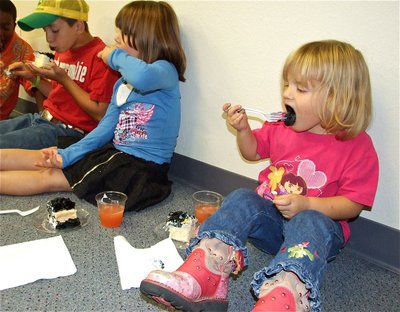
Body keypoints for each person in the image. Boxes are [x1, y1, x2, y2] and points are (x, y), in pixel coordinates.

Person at [139, 40, 379, 311]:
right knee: (242, 196)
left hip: (315, 238)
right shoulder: (280, 127)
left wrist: (309, 204)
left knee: (312, 219)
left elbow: (354, 204)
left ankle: (287, 291)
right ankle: (205, 274)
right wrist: (243, 130)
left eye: (300, 89)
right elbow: (252, 152)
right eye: (287, 84)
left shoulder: (357, 146)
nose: (287, 94)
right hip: (272, 226)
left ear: (337, 98)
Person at [0, 0, 186, 212]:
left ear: (146, 36)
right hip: (115, 152)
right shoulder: (122, 83)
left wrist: (113, 55)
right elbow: (105, 128)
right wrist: (67, 154)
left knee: (50, 176)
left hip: (140, 168)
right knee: (48, 154)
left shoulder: (165, 71)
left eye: (123, 32)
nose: (115, 37)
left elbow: (142, 76)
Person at [0, 0, 119, 149]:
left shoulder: (102, 58)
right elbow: (58, 95)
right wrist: (32, 78)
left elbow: (100, 115)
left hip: (69, 133)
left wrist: (65, 79)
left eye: (55, 30)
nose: (49, 39)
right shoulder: (64, 50)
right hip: (42, 120)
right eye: (45, 31)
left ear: (78, 26)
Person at [0, 0, 38, 120]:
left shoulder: (23, 51)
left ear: (14, 26)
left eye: (6, 27)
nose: (0, 33)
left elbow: (36, 87)